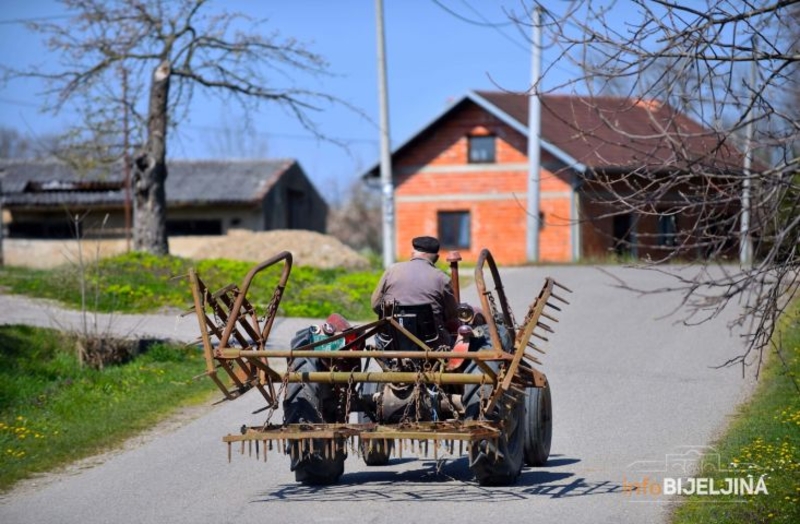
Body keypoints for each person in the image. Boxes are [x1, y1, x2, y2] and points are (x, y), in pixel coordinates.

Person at [371, 235, 459, 346]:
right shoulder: (442, 279)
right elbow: (452, 315)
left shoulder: (391, 271)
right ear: (436, 258)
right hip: (432, 342)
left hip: (391, 341)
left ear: (412, 253)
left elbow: (375, 306)